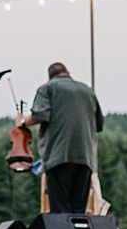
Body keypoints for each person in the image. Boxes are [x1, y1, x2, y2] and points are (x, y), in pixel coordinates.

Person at [19, 62, 104, 213]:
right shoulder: (88, 91)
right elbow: (99, 124)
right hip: (85, 159)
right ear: (68, 72)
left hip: (58, 158)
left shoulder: (47, 88)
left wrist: (23, 123)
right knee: (78, 212)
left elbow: (40, 115)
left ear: (50, 76)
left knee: (61, 212)